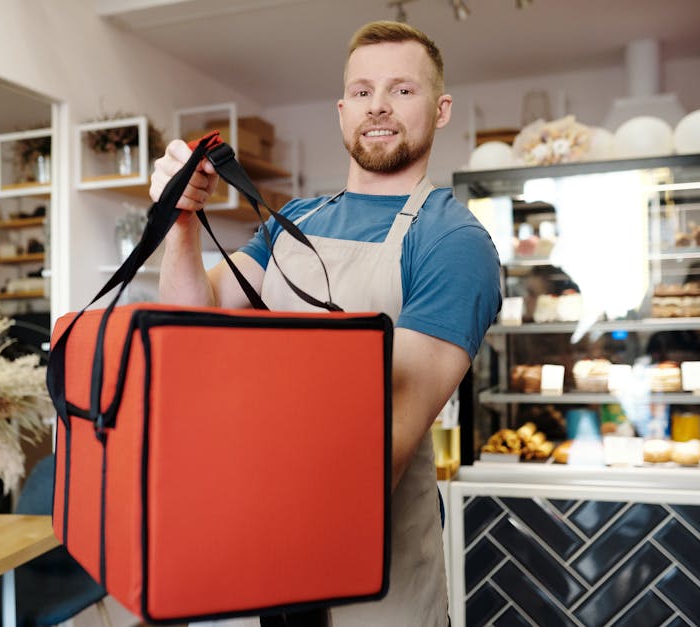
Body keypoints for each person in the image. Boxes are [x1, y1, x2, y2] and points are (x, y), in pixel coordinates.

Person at [150, 20, 501, 627]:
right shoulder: (295, 220)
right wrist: (180, 219)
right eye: (362, 92)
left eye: (403, 90)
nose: (379, 107)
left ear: (441, 110)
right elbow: (190, 320)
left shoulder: (452, 240)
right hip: (271, 574)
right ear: (342, 111)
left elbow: (385, 442)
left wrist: (219, 489)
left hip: (377, 596)